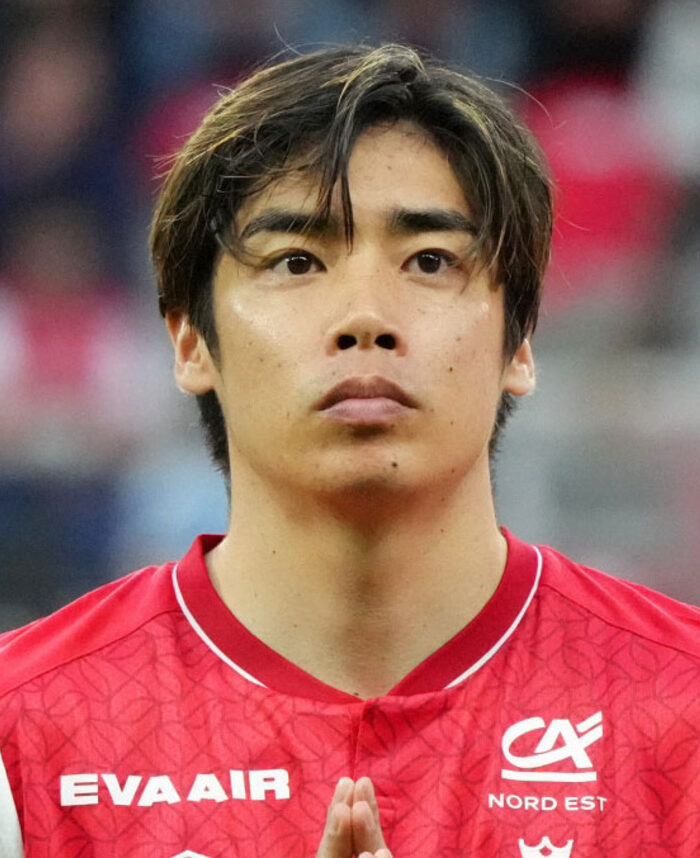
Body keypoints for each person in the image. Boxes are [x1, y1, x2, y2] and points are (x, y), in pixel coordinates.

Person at [0, 44, 698, 858]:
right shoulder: (24, 730)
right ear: (190, 340)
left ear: (520, 340)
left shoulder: (682, 709)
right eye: (296, 262)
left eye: (429, 261)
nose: (365, 317)